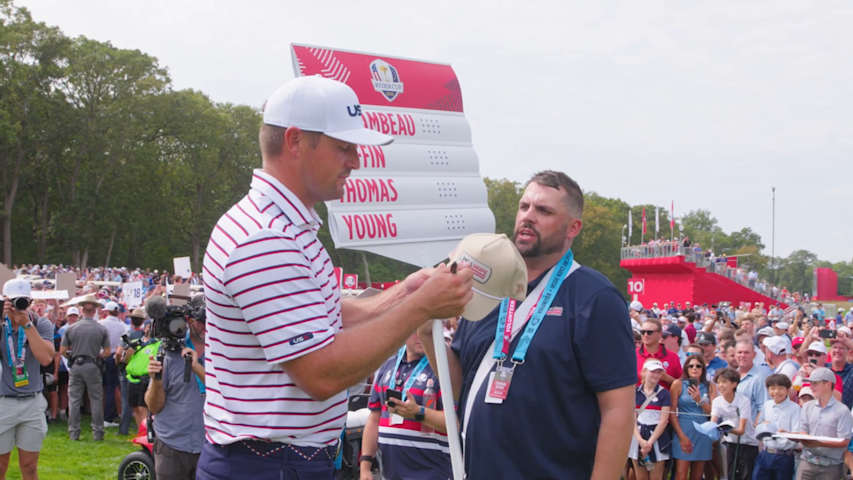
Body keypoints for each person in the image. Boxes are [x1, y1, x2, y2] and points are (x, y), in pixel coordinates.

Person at [196, 75, 473, 480]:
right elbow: (321, 373)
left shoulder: (283, 227)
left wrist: (405, 293)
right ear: (295, 141)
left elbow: (325, 316)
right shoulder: (266, 237)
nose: (356, 161)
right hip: (269, 463)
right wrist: (419, 307)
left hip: (274, 460)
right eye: (344, 147)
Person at [419, 170, 636, 479]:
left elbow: (617, 410)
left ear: (573, 227)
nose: (528, 217)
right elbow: (461, 386)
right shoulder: (487, 288)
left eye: (544, 210)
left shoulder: (595, 297)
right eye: (524, 207)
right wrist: (427, 333)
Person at [360, 333, 449, 480]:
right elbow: (374, 418)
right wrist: (365, 467)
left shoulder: (443, 367)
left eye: (426, 330)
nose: (421, 335)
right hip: (390, 474)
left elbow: (455, 424)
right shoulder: (388, 366)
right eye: (415, 330)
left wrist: (418, 413)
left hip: (433, 474)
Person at [145, 296, 206, 480]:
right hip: (172, 446)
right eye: (201, 321)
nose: (205, 327)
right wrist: (156, 381)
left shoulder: (222, 350)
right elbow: (154, 407)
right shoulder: (168, 351)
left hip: (211, 447)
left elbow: (226, 392)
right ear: (189, 320)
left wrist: (197, 367)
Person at [0, 279, 56, 480]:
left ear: (30, 302)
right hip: (3, 402)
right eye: (13, 301)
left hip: (32, 402)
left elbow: (46, 358)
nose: (18, 306)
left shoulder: (40, 323)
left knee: (30, 466)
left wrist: (27, 324)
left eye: (22, 301)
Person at [60, 294, 111, 441]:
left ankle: (74, 432)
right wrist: (97, 355)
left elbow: (63, 351)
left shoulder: (71, 328)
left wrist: (72, 356)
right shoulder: (101, 329)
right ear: (94, 311)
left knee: (74, 400)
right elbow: (107, 352)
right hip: (93, 365)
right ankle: (98, 433)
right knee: (96, 399)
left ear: (81, 310)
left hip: (76, 365)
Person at [795, 367, 852, 478]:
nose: (811, 387)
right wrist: (800, 437)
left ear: (828, 384)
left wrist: (818, 443)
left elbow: (845, 441)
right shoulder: (807, 407)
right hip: (807, 463)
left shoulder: (842, 411)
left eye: (815, 383)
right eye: (811, 383)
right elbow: (803, 430)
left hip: (831, 467)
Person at [670, 356, 715, 480]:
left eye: (698, 366)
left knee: (697, 475)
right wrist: (681, 436)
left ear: (703, 369)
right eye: (691, 366)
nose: (694, 368)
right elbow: (672, 412)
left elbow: (713, 412)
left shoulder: (710, 386)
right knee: (681, 474)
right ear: (686, 368)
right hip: (683, 430)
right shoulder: (678, 384)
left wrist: (699, 400)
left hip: (703, 432)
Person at [711, 367, 757, 480]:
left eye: (724, 382)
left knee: (746, 476)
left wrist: (725, 429)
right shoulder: (717, 401)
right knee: (731, 475)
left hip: (748, 444)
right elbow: (713, 422)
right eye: (718, 382)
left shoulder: (743, 400)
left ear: (734, 384)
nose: (720, 385)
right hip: (730, 443)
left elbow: (741, 430)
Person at [629, 359, 671, 480]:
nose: (656, 375)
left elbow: (663, 421)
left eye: (659, 372)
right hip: (638, 437)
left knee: (656, 477)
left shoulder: (664, 394)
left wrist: (649, 443)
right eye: (653, 371)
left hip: (657, 438)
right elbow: (631, 419)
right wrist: (640, 440)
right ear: (644, 372)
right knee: (641, 477)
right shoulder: (635, 392)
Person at [752, 373, 799, 480]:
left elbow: (797, 433)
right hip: (766, 453)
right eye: (772, 388)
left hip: (784, 455)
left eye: (781, 388)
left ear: (788, 390)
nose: (776, 392)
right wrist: (762, 426)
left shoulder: (795, 408)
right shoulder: (767, 405)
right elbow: (758, 425)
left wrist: (786, 433)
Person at [99, 301, 126, 425]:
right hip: (116, 356)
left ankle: (108, 417)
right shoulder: (122, 326)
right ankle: (111, 415)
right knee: (112, 387)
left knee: (108, 388)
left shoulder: (101, 324)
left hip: (104, 356)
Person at [637, 318, 683, 389]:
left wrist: (666, 378)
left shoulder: (673, 357)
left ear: (660, 334)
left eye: (649, 332)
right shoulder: (632, 355)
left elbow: (681, 386)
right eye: (642, 332)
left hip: (665, 395)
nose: (645, 335)